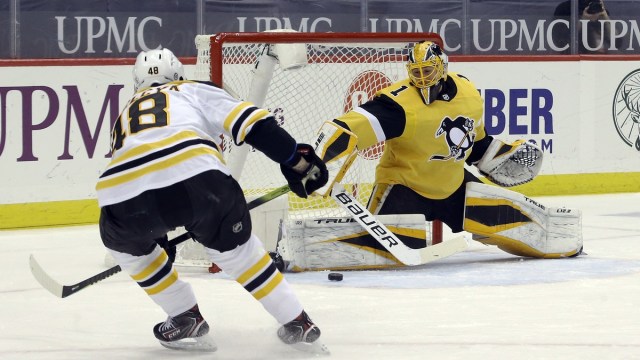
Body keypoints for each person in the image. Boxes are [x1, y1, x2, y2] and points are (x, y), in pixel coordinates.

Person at [96, 48, 329, 353]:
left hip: (123, 198)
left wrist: (156, 236)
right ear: (179, 74)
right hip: (200, 178)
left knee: (127, 248)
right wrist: (296, 162)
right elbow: (253, 124)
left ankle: (183, 315)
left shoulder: (125, 113)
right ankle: (297, 321)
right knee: (239, 254)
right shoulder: (192, 89)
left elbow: (145, 172)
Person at [296, 40, 582, 270]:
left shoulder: (468, 93)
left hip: (454, 187)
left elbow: (475, 143)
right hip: (404, 188)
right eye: (416, 72)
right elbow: (348, 127)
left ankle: (563, 236)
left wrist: (494, 155)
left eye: (428, 71)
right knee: (384, 249)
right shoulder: (399, 105)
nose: (422, 79)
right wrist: (319, 160)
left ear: (442, 68)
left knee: (509, 222)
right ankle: (299, 247)